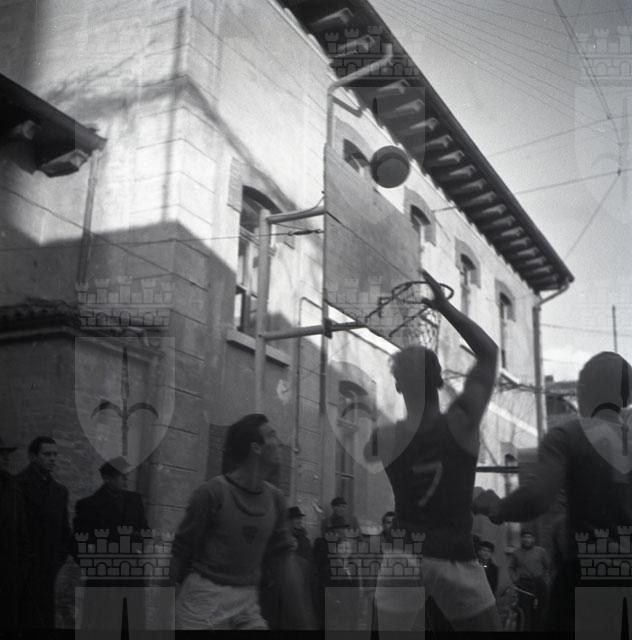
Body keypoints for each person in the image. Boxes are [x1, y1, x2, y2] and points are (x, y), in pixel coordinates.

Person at [365, 269, 501, 632]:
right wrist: (446, 309)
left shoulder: (385, 438)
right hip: (455, 554)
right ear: (440, 380)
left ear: (397, 386)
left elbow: (368, 451)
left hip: (404, 556)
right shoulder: (462, 421)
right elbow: (489, 355)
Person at [473, 351, 632, 632]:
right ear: (626, 397)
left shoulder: (568, 435)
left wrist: (495, 507)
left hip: (586, 576)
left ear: (584, 392)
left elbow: (536, 497)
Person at [170, 414, 303, 630]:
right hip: (203, 601)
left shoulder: (276, 499)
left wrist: (304, 619)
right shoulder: (211, 493)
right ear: (256, 448)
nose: (279, 442)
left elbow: (282, 559)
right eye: (271, 435)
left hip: (247, 600)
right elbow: (180, 551)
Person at [73, 457, 150, 631]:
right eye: (121, 476)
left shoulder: (134, 500)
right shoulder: (88, 505)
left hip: (131, 574)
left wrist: (137, 544)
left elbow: (145, 531)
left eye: (127, 475)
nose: (126, 479)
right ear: (107, 478)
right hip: (103, 578)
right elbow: (78, 542)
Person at [17, 435, 72, 629]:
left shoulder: (60, 492)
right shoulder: (16, 486)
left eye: (55, 454)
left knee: (43, 620)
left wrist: (56, 560)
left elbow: (64, 530)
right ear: (32, 456)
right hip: (20, 569)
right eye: (47, 454)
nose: (52, 459)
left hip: (47, 568)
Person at [0, 437, 30, 634]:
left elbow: (22, 533)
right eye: (1, 455)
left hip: (8, 572)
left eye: (8, 454)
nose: (6, 459)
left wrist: (20, 568)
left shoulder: (13, 487)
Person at [507, 529, 549, 631]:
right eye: (524, 537)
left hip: (539, 583)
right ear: (521, 539)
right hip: (524, 585)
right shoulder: (517, 553)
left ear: (533, 539)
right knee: (525, 611)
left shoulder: (541, 551)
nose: (527, 539)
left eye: (529, 537)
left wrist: (546, 580)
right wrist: (515, 580)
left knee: (542, 609)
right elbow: (511, 567)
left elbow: (548, 567)